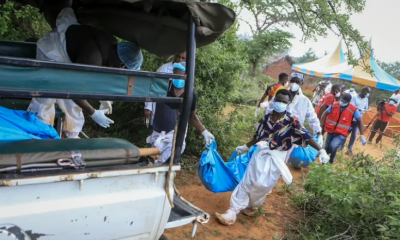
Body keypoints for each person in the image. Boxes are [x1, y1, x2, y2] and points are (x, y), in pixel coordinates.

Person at [215, 89, 329, 226]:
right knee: (248, 180)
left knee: (262, 185)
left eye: (284, 102)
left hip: (277, 157)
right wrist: (246, 146)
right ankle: (232, 212)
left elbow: (306, 136)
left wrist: (321, 150)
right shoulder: (267, 117)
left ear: (287, 104)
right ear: (274, 100)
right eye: (279, 100)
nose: (281, 103)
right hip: (261, 152)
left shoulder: (292, 120)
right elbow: (257, 135)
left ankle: (253, 205)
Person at [27, 7, 143, 138]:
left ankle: (72, 137)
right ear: (122, 65)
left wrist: (102, 96)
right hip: (51, 52)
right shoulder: (93, 57)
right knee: (46, 98)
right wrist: (92, 112)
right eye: (126, 70)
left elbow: (95, 76)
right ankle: (37, 136)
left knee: (73, 105)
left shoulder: (112, 46)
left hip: (70, 56)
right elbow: (72, 89)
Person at [145, 62, 214, 163]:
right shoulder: (164, 88)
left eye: (181, 75)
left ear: (187, 76)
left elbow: (191, 116)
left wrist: (204, 132)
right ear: (172, 73)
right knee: (152, 159)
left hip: (174, 131)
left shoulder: (190, 95)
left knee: (170, 158)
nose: (178, 78)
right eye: (175, 74)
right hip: (158, 130)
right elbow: (148, 92)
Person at [267, 73, 324, 162]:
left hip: (292, 135)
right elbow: (270, 110)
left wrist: (319, 133)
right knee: (269, 154)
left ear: (301, 83)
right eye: (293, 81)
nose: (294, 83)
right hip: (275, 130)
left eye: (297, 82)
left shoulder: (305, 101)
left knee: (283, 158)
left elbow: (312, 118)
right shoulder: (281, 95)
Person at [321, 93, 366, 163]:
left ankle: (330, 160)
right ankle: (326, 162)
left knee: (333, 146)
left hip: (341, 133)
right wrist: (321, 125)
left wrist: (362, 135)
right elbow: (325, 114)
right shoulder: (334, 105)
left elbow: (360, 121)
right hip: (331, 130)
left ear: (349, 102)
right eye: (342, 101)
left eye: (345, 102)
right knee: (327, 147)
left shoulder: (353, 109)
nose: (342, 103)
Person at [346, 87, 371, 155]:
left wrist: (366, 110)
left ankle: (349, 150)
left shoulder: (366, 99)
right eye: (367, 92)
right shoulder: (354, 98)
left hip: (358, 120)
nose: (368, 94)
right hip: (351, 119)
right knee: (346, 134)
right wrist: (360, 110)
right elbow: (352, 107)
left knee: (354, 135)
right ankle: (340, 146)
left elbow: (366, 108)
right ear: (364, 91)